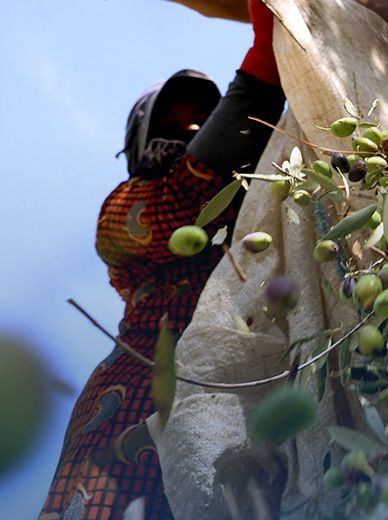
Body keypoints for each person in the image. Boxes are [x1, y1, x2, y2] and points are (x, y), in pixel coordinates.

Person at [40, 1, 286, 518]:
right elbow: (184, 202)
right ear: (138, 150)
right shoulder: (121, 214)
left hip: (247, 433)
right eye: (172, 125)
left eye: (206, 119)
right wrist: (266, 60)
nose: (194, 129)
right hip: (127, 432)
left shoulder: (267, 224)